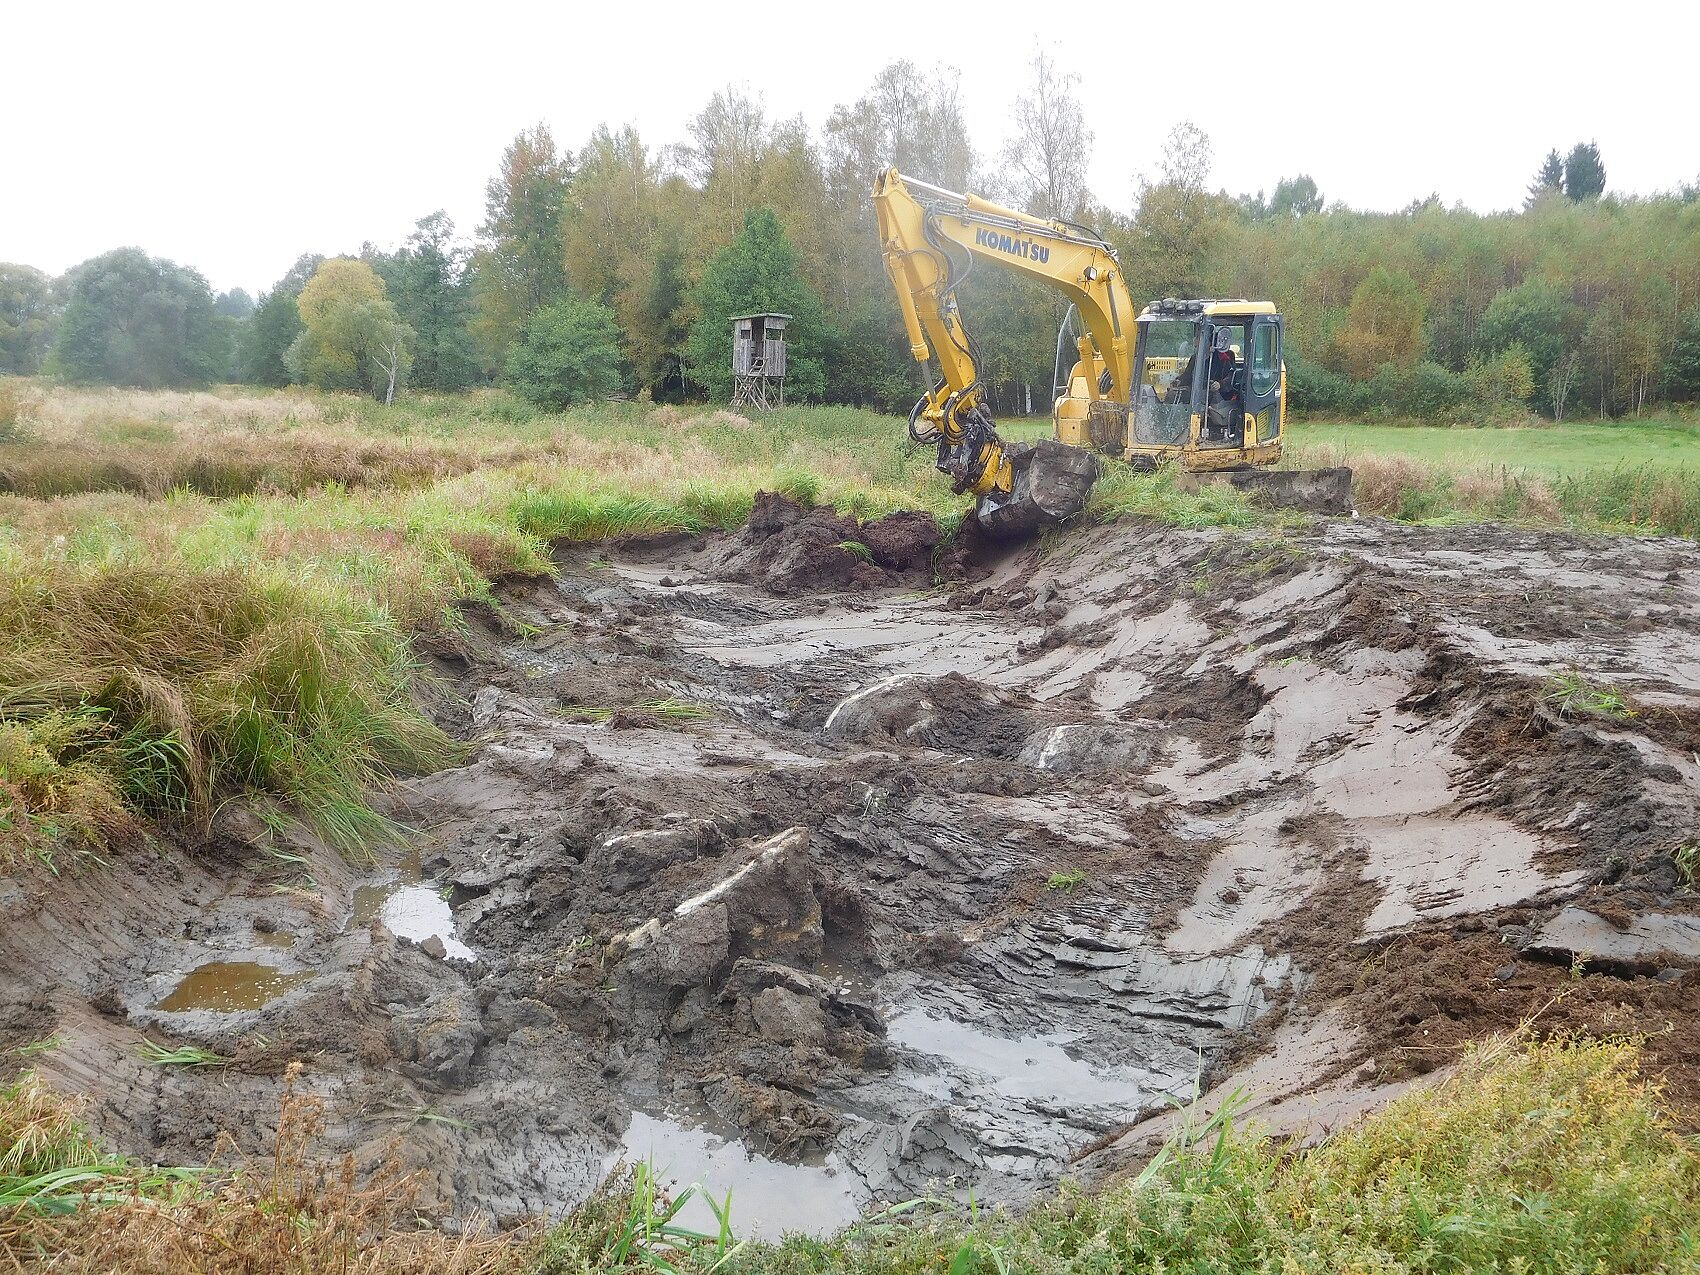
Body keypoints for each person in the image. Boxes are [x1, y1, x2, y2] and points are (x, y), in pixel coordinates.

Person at [1205, 327, 1242, 441]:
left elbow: (1231, 376)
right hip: (1201, 391)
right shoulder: (1197, 358)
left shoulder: (1226, 356)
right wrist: (1178, 381)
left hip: (1221, 394)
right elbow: (1188, 375)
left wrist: (1220, 384)